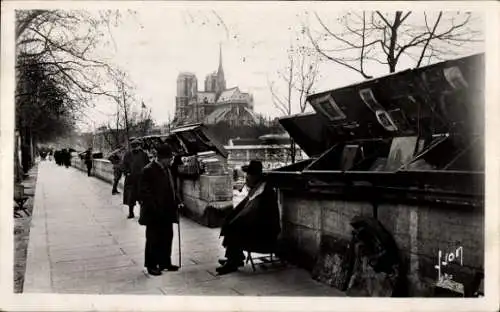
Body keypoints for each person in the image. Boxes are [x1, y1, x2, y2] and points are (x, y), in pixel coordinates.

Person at [216, 160, 281, 275]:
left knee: (235, 227)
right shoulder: (258, 188)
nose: (246, 178)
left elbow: (255, 212)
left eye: (249, 175)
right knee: (232, 222)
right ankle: (235, 258)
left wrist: (239, 220)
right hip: (257, 225)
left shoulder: (264, 191)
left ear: (255, 176)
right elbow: (244, 208)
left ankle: (233, 262)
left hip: (265, 232)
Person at [138, 144, 181, 276]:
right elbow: (144, 192)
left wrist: (177, 200)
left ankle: (165, 262)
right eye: (170, 158)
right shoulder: (148, 170)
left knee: (167, 236)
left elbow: (171, 187)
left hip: (167, 210)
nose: (171, 160)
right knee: (153, 239)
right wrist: (155, 207)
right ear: (163, 158)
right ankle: (151, 265)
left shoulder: (166, 169)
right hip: (154, 212)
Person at [121, 139, 149, 219]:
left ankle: (142, 214)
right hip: (131, 179)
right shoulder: (127, 155)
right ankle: (131, 213)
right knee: (131, 197)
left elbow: (148, 165)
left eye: (136, 146)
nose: (135, 147)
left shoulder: (144, 154)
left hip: (141, 179)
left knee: (142, 197)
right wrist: (127, 172)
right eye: (133, 146)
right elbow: (123, 165)